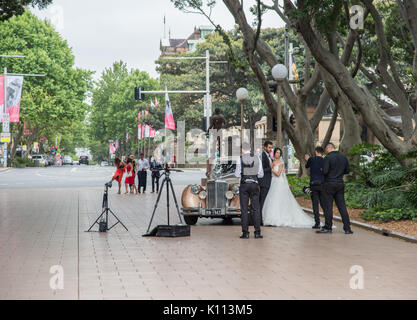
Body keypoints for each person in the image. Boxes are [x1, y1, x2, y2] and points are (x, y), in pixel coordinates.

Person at [262, 148, 315, 228]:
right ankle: (271, 218)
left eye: (279, 153)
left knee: (278, 200)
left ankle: (279, 218)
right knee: (272, 200)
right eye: (277, 152)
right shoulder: (272, 161)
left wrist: (271, 169)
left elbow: (278, 174)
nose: (278, 154)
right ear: (274, 153)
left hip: (278, 182)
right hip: (272, 182)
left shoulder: (281, 162)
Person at [317, 143, 353, 234]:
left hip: (329, 184)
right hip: (340, 183)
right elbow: (347, 170)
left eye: (326, 149)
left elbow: (325, 171)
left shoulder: (328, 158)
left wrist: (322, 170)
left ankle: (328, 227)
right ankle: (347, 228)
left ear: (328, 148)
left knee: (328, 206)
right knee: (342, 206)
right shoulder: (343, 157)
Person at [234, 142, 264, 239]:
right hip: (254, 184)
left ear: (242, 149)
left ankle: (245, 233)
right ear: (250, 148)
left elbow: (237, 174)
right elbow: (261, 174)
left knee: (244, 209)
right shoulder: (257, 158)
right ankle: (257, 232)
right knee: (256, 209)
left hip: (244, 185)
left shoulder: (239, 159)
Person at [305, 146, 325, 229]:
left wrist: (307, 159)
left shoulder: (311, 159)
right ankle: (328, 221)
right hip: (322, 184)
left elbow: (306, 166)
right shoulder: (325, 160)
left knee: (315, 204)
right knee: (324, 204)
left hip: (313, 184)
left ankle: (317, 223)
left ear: (316, 152)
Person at [258, 141, 273, 223]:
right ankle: (259, 220)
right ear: (265, 147)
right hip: (264, 182)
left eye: (271, 147)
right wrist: (270, 168)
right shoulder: (262, 156)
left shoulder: (268, 156)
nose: (270, 149)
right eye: (269, 147)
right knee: (262, 201)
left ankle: (263, 217)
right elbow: (261, 170)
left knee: (266, 201)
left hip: (268, 181)